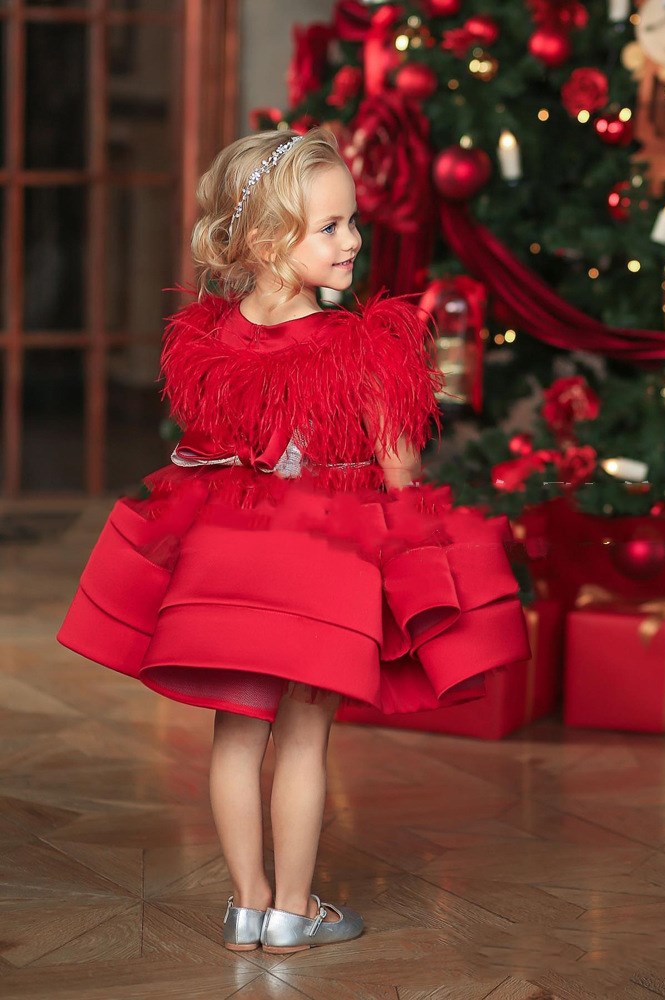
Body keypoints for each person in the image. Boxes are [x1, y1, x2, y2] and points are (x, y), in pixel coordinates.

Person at [57, 129, 530, 954]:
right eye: (330, 227)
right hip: (322, 562)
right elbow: (397, 467)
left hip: (226, 560)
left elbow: (205, 453)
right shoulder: (363, 345)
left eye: (352, 222)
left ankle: (246, 906)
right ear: (273, 240)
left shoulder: (208, 341)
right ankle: (293, 910)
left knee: (237, 733)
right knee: (306, 736)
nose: (352, 241)